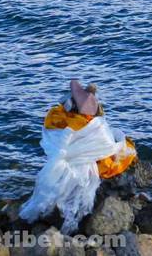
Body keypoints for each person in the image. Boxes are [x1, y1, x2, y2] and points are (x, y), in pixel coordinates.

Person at [19, 80, 137, 233]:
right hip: (80, 157)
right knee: (121, 151)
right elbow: (106, 145)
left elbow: (54, 137)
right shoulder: (94, 125)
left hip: (65, 156)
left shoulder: (57, 115)